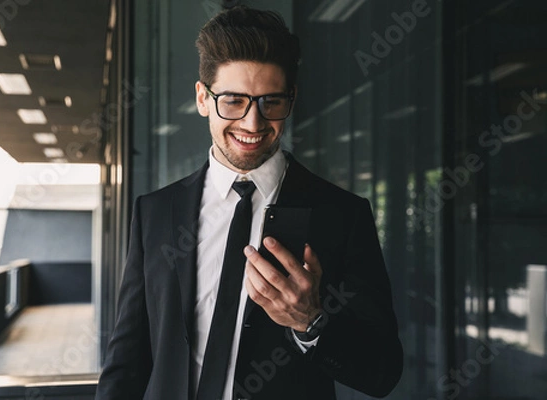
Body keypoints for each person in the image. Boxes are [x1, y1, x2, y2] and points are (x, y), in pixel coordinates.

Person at [96, 5, 402, 400]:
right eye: (234, 101)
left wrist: (311, 323)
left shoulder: (341, 215)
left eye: (270, 102)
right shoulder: (155, 212)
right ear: (203, 99)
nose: (253, 124)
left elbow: (383, 372)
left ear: (291, 99)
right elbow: (127, 361)